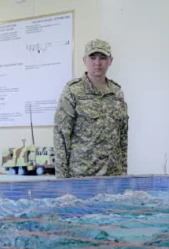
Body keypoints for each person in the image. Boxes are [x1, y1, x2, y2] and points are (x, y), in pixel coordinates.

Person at [53, 39, 128, 178]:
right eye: (92, 57)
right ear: (84, 60)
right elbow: (61, 136)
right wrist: (62, 180)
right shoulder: (73, 91)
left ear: (110, 61)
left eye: (102, 58)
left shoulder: (117, 93)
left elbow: (123, 136)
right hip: (82, 177)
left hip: (113, 176)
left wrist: (123, 171)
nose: (97, 63)